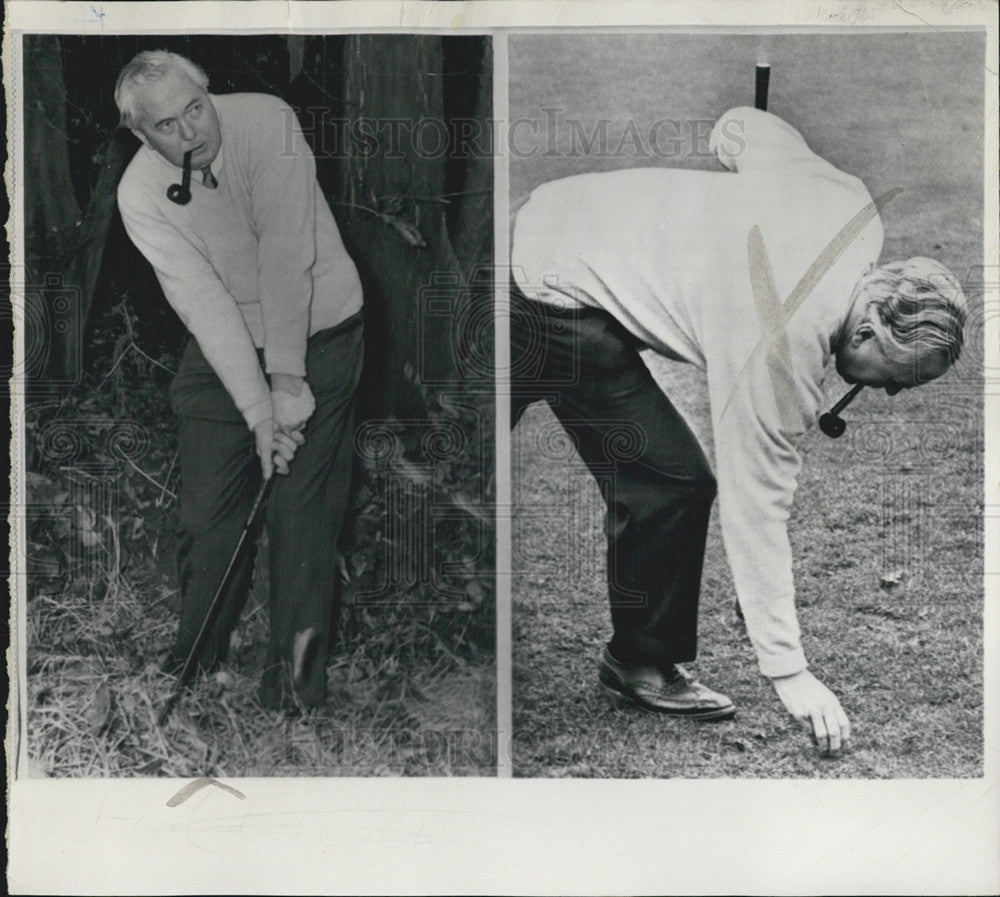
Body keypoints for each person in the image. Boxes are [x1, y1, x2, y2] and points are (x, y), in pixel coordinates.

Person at [510, 106, 966, 754]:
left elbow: (747, 126)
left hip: (565, 240)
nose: (886, 392)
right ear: (866, 330)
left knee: (672, 480)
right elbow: (759, 509)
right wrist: (789, 669)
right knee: (450, 454)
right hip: (538, 283)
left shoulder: (850, 206)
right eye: (894, 378)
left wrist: (727, 138)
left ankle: (639, 659)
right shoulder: (783, 343)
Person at [115, 50, 364, 711]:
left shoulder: (268, 124)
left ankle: (295, 690)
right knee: (205, 509)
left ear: (208, 89)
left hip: (322, 324)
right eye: (166, 125)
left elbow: (288, 260)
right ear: (140, 134)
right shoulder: (140, 195)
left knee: (301, 515)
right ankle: (197, 658)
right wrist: (259, 413)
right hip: (228, 340)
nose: (190, 131)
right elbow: (203, 303)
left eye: (194, 108)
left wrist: (288, 382)